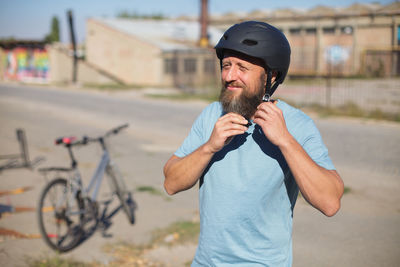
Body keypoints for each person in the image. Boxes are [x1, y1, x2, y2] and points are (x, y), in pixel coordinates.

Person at [163, 21, 344, 266]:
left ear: (272, 76)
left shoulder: (296, 124)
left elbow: (330, 202)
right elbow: (171, 183)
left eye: (242, 67)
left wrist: (285, 141)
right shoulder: (211, 115)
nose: (229, 76)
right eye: (226, 65)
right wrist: (210, 147)